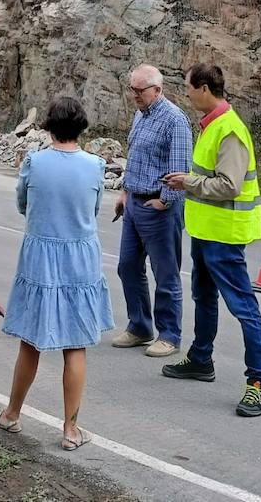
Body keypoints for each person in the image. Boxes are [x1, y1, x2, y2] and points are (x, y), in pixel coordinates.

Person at [0, 96, 113, 451]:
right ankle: (71, 429)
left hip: (41, 255)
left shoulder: (34, 162)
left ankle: (12, 414)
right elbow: (92, 208)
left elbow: (23, 204)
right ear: (81, 127)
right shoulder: (95, 165)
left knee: (31, 340)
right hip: (81, 256)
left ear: (49, 126)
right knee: (75, 344)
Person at [160, 63, 261, 417]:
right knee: (204, 297)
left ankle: (258, 382)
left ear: (205, 88)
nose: (187, 92)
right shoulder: (211, 126)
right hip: (207, 232)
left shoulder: (230, 130)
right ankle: (200, 359)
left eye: (189, 87)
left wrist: (187, 183)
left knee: (243, 307)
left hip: (225, 235)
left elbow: (229, 185)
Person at [111, 64, 192, 358]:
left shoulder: (174, 120)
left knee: (165, 273)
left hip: (159, 207)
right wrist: (124, 191)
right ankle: (140, 327)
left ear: (157, 90)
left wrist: (165, 200)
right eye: (131, 88)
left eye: (139, 90)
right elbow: (134, 157)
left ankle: (169, 335)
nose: (134, 95)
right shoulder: (141, 115)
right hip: (134, 202)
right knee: (128, 267)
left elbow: (181, 167)